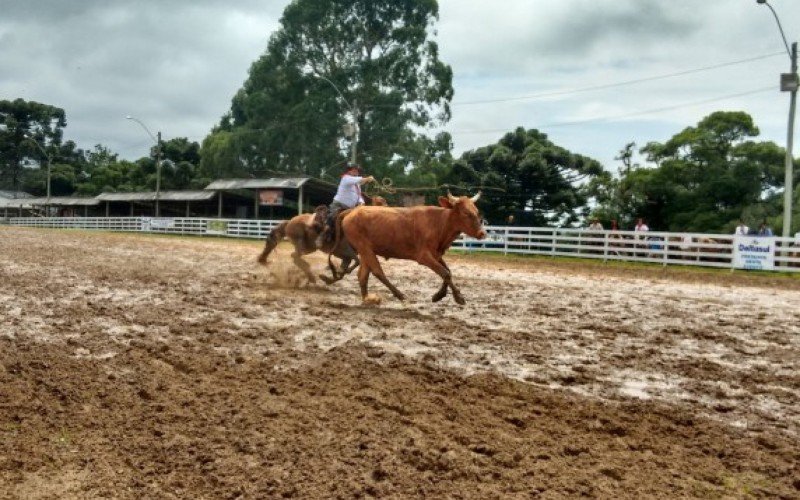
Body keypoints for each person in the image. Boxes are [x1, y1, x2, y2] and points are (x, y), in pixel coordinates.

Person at [318, 163, 375, 248]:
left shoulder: (357, 184)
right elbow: (358, 180)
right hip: (339, 204)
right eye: (354, 170)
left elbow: (358, 195)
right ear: (349, 171)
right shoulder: (346, 178)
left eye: (357, 170)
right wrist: (367, 179)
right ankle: (321, 236)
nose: (356, 171)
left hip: (350, 208)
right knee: (331, 218)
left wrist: (361, 202)